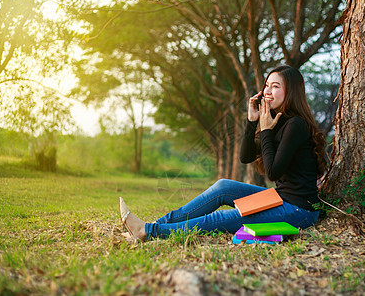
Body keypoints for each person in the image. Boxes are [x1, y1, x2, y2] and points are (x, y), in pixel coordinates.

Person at [119, 65, 327, 242]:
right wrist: (251, 122)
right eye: (267, 85)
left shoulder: (296, 125)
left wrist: (265, 131)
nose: (268, 91)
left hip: (299, 212)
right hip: (279, 198)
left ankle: (147, 232)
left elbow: (272, 172)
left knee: (219, 220)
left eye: (276, 86)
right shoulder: (275, 122)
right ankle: (156, 224)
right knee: (223, 187)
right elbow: (245, 157)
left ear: (291, 91)